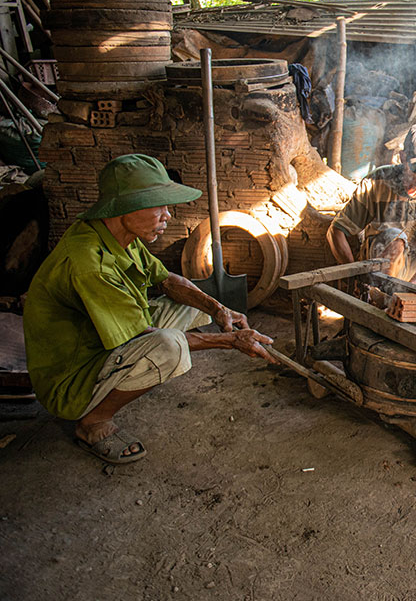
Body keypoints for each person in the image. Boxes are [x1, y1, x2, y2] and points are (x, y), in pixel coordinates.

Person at [24, 154, 277, 465]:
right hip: (72, 375)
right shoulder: (89, 263)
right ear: (124, 207)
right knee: (168, 347)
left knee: (189, 309)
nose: (168, 216)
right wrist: (230, 342)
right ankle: (93, 423)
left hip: (100, 339)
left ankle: (132, 378)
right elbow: (145, 337)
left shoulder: (118, 235)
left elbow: (166, 280)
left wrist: (219, 309)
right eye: (159, 206)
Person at [327, 122, 416, 282]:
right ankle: (382, 291)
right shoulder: (377, 182)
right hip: (376, 264)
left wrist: (411, 289)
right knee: (394, 237)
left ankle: (395, 293)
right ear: (404, 157)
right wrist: (352, 276)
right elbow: (336, 232)